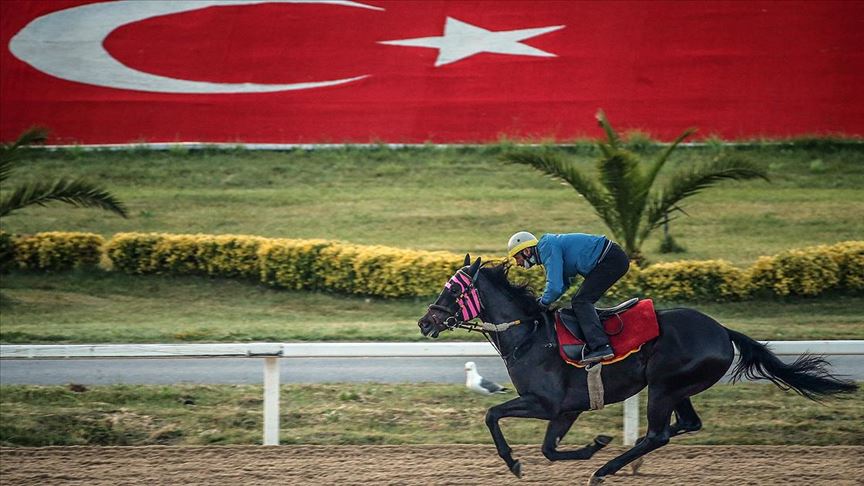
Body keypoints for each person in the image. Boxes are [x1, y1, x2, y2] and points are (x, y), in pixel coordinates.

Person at [507, 231, 630, 364]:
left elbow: (555, 287)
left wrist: (543, 303)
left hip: (610, 259)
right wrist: (543, 301)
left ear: (526, 251)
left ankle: (602, 347)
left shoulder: (547, 247)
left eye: (517, 257)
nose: (517, 263)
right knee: (580, 300)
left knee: (581, 301)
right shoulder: (547, 248)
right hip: (610, 258)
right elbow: (562, 284)